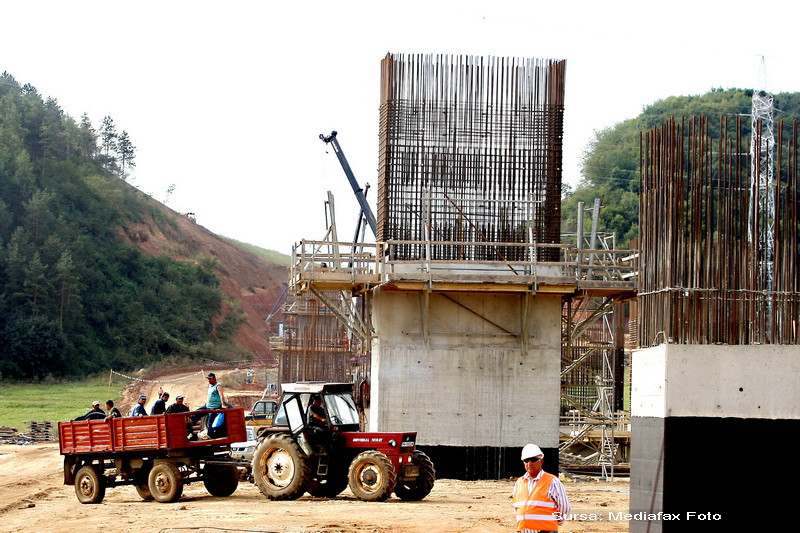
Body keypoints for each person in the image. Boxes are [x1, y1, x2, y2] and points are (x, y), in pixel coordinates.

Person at [511, 443, 571, 533]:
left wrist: (553, 522)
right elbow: (517, 507)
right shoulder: (519, 483)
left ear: (541, 461)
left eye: (533, 459)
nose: (529, 463)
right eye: (526, 460)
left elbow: (564, 507)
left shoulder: (552, 481)